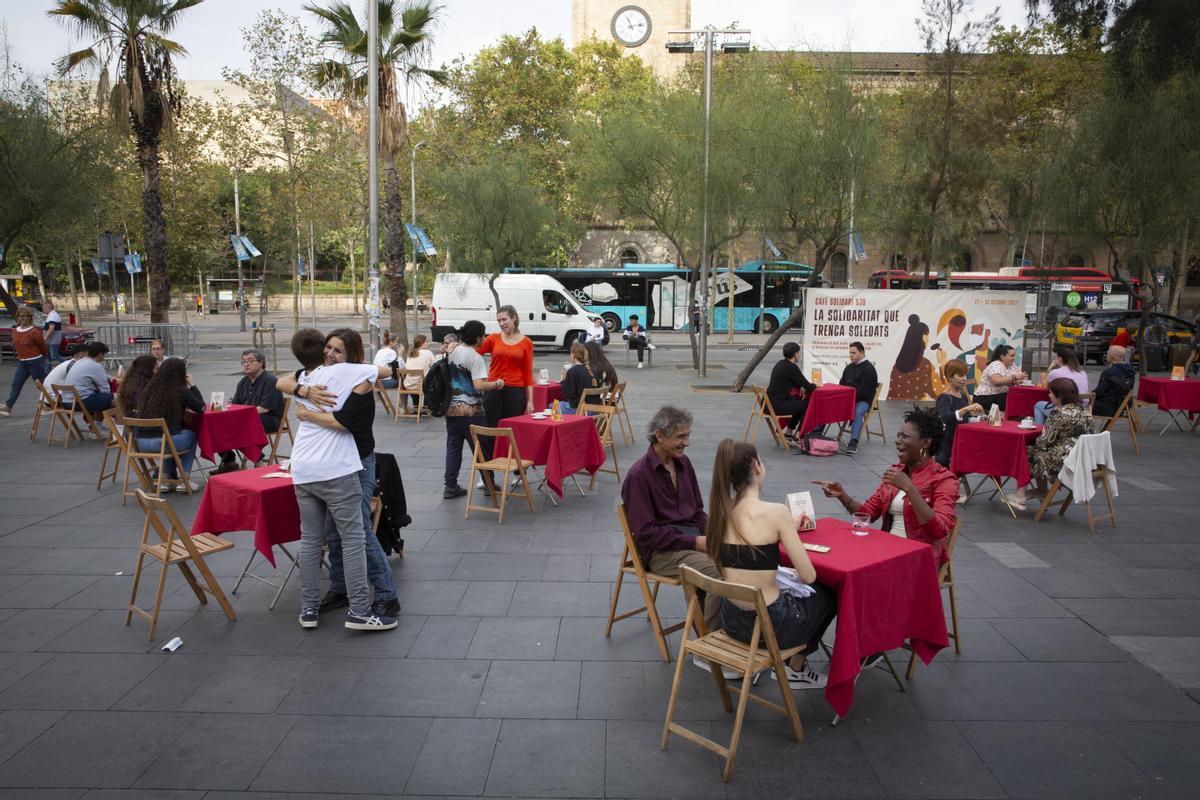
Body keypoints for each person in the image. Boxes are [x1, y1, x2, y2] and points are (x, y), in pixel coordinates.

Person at [276, 328, 396, 632]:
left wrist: (306, 412)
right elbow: (281, 381)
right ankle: (348, 600)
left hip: (345, 463)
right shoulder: (313, 375)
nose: (330, 354)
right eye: (327, 348)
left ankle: (383, 595)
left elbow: (344, 423)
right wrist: (303, 392)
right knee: (339, 535)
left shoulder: (352, 375)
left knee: (349, 534)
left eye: (337, 350)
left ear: (351, 356)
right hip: (332, 467)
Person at [706, 438, 836, 689]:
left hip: (732, 620)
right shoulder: (776, 513)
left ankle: (796, 665)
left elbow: (734, 564)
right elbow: (808, 576)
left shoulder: (719, 514)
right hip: (771, 627)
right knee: (829, 591)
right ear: (756, 466)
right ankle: (796, 666)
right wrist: (788, 530)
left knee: (782, 584)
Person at [621, 406, 727, 675]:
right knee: (718, 572)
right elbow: (646, 533)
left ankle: (728, 633)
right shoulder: (639, 476)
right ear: (659, 435)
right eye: (680, 437)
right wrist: (695, 543)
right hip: (661, 551)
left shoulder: (684, 463)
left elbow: (697, 512)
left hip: (688, 539)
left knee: (737, 556)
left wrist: (716, 534)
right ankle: (709, 645)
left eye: (687, 435)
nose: (686, 442)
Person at [815, 406, 958, 564]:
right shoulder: (896, 472)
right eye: (898, 435)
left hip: (920, 557)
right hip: (888, 548)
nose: (897, 441)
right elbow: (867, 514)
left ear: (925, 443)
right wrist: (842, 495)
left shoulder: (944, 479)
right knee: (835, 557)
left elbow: (940, 530)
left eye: (905, 437)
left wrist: (910, 489)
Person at [1011, 378, 1095, 511]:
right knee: (1038, 452)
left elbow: (1043, 442)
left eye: (1051, 393)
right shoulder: (1085, 412)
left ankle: (1021, 494)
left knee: (1028, 451)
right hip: (1084, 459)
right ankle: (1040, 490)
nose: (1049, 395)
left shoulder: (1059, 415)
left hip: (1066, 462)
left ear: (1059, 396)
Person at [442, 321, 504, 499]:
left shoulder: (453, 351)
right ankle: (488, 483)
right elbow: (479, 385)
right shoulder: (475, 357)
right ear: (478, 337)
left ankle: (450, 485)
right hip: (471, 411)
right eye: (483, 335)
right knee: (481, 447)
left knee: (453, 447)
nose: (484, 338)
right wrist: (497, 384)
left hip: (452, 409)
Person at [134, 357, 204, 491]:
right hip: (162, 442)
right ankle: (185, 480)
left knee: (172, 437)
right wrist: (192, 385)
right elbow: (200, 408)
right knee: (190, 436)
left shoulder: (149, 389)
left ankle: (164, 480)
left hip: (141, 443)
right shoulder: (180, 389)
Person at [215, 349, 284, 473]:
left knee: (242, 425)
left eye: (250, 361)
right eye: (244, 362)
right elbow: (236, 405)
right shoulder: (243, 381)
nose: (246, 364)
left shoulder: (270, 380)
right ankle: (229, 461)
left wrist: (243, 414)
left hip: (269, 418)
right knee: (218, 424)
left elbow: (265, 408)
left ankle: (258, 460)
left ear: (261, 363)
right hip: (248, 418)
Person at [935, 360, 983, 504]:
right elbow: (946, 418)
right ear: (950, 377)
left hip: (960, 439)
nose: (964, 378)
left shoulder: (961, 395)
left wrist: (981, 419)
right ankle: (948, 489)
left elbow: (965, 420)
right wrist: (966, 409)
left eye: (965, 375)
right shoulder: (945, 397)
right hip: (948, 442)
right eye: (960, 375)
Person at [478, 304, 535, 424]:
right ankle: (491, 444)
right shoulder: (493, 338)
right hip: (493, 388)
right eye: (499, 320)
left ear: (513, 318)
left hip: (516, 391)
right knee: (491, 426)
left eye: (504, 319)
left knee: (512, 427)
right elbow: (474, 352)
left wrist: (530, 401)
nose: (501, 323)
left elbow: (528, 373)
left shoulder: (526, 342)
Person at [0, 306, 49, 417]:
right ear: (18, 317)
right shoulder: (15, 331)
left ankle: (48, 404)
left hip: (36, 361)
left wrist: (43, 357)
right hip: (22, 362)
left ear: (30, 318)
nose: (24, 318)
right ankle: (8, 407)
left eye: (27, 316)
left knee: (41, 384)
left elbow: (42, 346)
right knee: (16, 384)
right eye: (22, 316)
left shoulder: (35, 331)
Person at [887, 314, 947, 401]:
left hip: (892, 408)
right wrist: (943, 363)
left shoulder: (896, 366)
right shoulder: (925, 365)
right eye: (928, 336)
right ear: (924, 337)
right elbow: (940, 393)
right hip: (915, 410)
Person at [766, 342, 815, 439]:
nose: (800, 355)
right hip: (777, 406)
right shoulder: (792, 367)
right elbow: (808, 386)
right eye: (799, 353)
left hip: (768, 404)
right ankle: (800, 434)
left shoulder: (780, 363)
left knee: (799, 401)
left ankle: (789, 433)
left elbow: (797, 382)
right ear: (796, 354)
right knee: (809, 404)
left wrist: (801, 387)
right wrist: (816, 385)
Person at [839, 341, 879, 455]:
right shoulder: (849, 367)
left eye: (854, 353)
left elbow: (864, 392)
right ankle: (817, 432)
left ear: (862, 352)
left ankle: (853, 441)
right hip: (849, 398)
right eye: (850, 353)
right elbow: (841, 384)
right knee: (831, 404)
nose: (851, 355)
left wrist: (849, 400)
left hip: (863, 400)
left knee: (857, 412)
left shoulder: (869, 369)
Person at [1035, 346, 1089, 423]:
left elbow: (1047, 386)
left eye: (1056, 358)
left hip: (1064, 410)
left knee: (1038, 405)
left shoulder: (1055, 373)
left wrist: (1050, 369)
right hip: (1083, 410)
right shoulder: (1083, 373)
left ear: (1059, 359)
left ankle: (1040, 430)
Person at [974, 344, 1027, 413]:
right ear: (1002, 356)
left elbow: (1022, 377)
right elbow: (996, 381)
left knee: (1021, 397)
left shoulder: (1011, 365)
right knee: (1015, 400)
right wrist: (1014, 377)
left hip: (998, 396)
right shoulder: (996, 364)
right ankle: (1013, 421)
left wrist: (1018, 381)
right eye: (1011, 356)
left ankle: (1016, 420)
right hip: (984, 397)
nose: (1014, 358)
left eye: (1014, 356)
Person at [66, 341, 114, 415]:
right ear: (100, 354)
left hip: (67, 401)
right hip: (79, 402)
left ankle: (97, 426)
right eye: (104, 354)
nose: (105, 356)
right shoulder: (96, 366)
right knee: (120, 400)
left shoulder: (80, 362)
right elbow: (105, 390)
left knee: (100, 398)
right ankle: (118, 426)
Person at [1093, 345, 1137, 417]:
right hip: (1123, 407)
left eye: (1108, 353)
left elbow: (1099, 392)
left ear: (1112, 356)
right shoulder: (1130, 371)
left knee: (1081, 407)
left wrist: (1087, 396)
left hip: (1108, 408)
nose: (1107, 354)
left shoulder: (1109, 372)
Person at [559, 342, 596, 413]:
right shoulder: (588, 370)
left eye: (570, 353)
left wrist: (563, 381)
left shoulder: (572, 371)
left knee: (550, 406)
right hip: (591, 409)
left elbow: (569, 394)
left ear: (573, 355)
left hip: (578, 409)